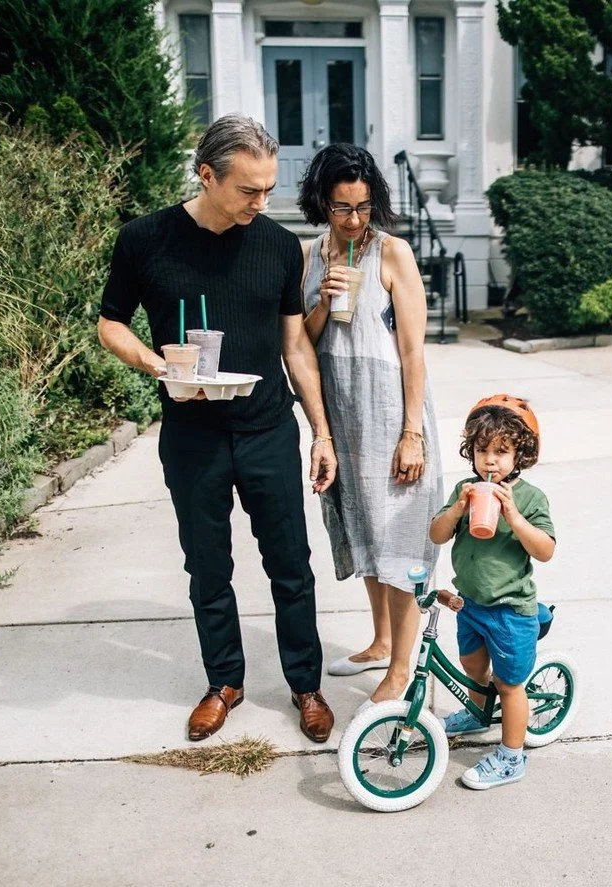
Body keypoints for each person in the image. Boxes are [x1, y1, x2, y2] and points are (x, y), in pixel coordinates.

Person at [97, 115, 337, 743]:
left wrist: (321, 432)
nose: (262, 204)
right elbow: (111, 323)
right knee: (208, 567)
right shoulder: (145, 239)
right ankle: (224, 681)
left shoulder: (280, 246)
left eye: (268, 190)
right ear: (206, 175)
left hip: (267, 431)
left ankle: (305, 685)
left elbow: (295, 346)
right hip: (192, 434)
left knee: (291, 565)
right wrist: (154, 363)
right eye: (248, 191)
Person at [299, 143, 443, 706]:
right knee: (361, 524)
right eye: (341, 208)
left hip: (388, 409)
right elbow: (303, 343)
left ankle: (402, 669)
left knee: (399, 534)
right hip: (342, 410)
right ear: (322, 202)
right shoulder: (312, 256)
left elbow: (413, 351)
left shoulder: (393, 253)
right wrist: (322, 300)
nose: (354, 219)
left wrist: (413, 433)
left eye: (362, 207)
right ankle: (381, 640)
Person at [429, 395, 556, 789]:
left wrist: (513, 515)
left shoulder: (531, 498)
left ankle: (511, 757)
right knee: (471, 665)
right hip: (470, 603)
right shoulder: (465, 489)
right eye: (483, 450)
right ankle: (477, 712)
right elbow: (436, 534)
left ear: (521, 454)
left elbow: (546, 550)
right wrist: (457, 510)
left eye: (502, 452)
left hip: (510, 610)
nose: (490, 460)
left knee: (509, 684)